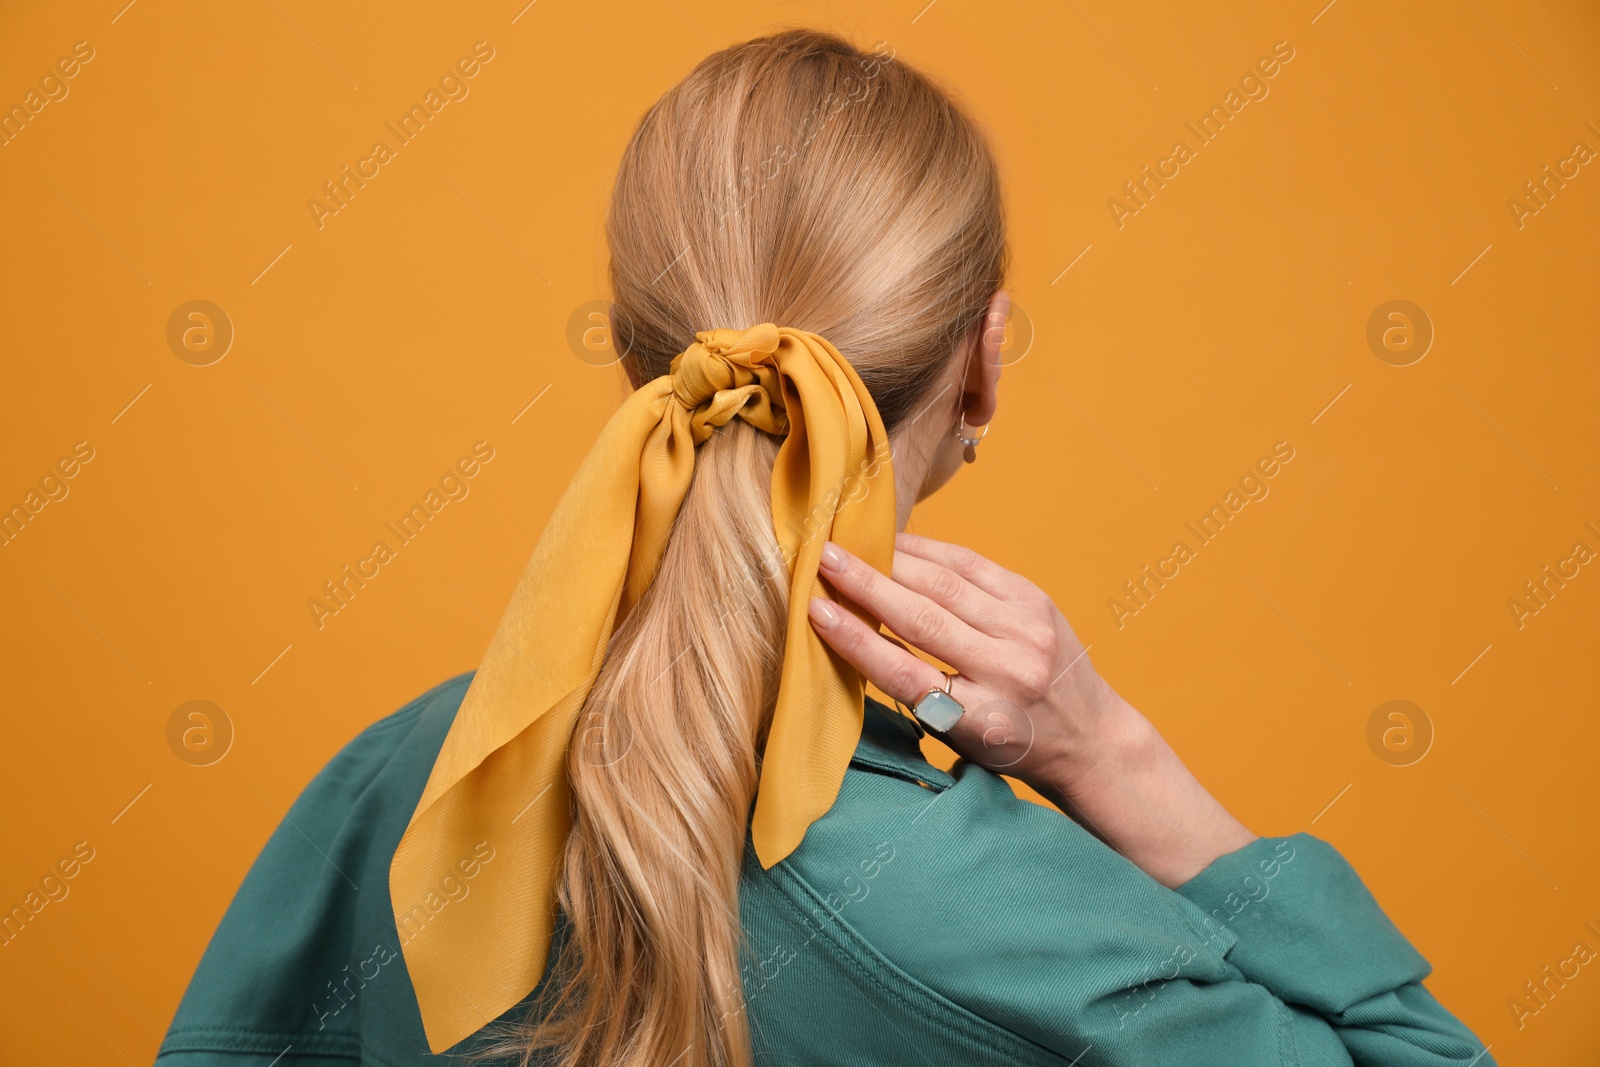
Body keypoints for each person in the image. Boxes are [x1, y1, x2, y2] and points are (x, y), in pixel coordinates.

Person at [155, 27, 1494, 1067]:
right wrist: (1115, 757)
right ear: (982, 362)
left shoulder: (397, 793)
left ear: (637, 352)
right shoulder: (1018, 925)